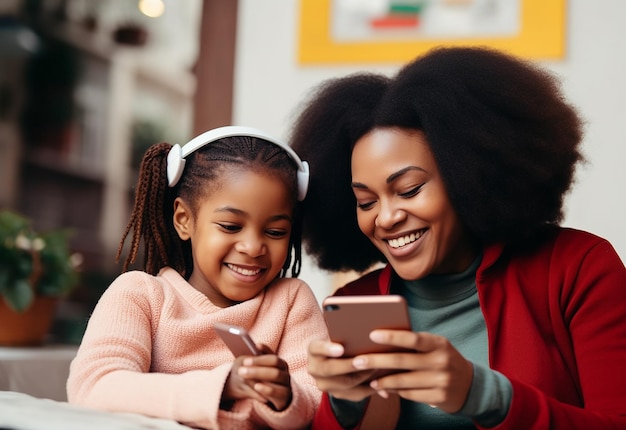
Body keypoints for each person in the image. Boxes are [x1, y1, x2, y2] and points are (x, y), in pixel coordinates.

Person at [289, 46, 626, 429]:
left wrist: (484, 395)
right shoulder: (354, 304)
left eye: (410, 189)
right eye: (365, 201)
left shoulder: (578, 268)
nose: (385, 217)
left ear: (467, 175)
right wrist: (345, 405)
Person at [67, 126, 328, 429]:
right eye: (230, 226)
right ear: (184, 220)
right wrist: (224, 386)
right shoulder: (140, 295)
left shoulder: (291, 301)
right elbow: (94, 387)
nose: (254, 247)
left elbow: (318, 402)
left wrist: (286, 397)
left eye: (275, 232)